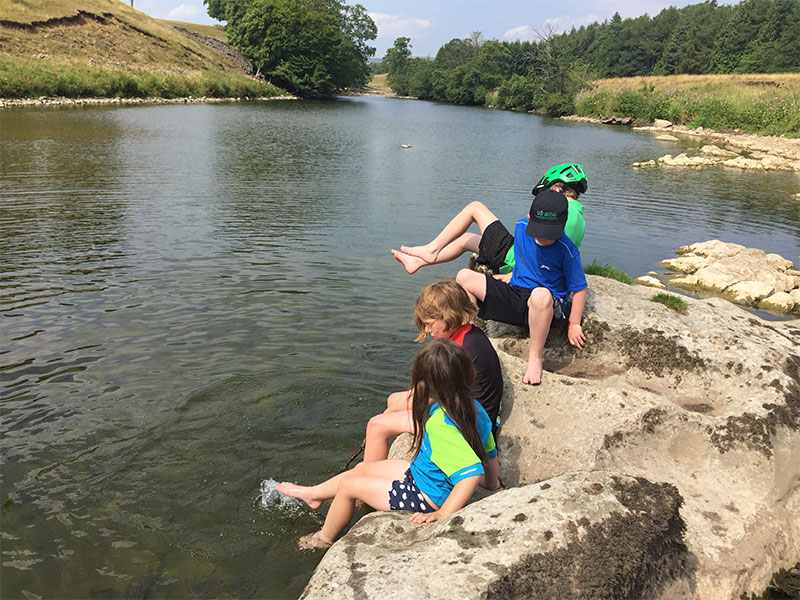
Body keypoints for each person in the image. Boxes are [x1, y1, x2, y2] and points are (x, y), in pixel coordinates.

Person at [276, 340, 500, 550]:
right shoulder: (475, 408)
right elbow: (489, 449)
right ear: (469, 374)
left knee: (349, 486)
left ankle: (323, 539)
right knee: (362, 469)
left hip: (425, 495)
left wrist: (443, 513)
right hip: (425, 475)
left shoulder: (440, 425)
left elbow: (470, 474)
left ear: (424, 384)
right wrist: (492, 483)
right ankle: (315, 494)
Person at [455, 189, 588, 386]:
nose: (543, 238)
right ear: (529, 219)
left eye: (550, 234)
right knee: (464, 276)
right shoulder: (520, 227)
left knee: (540, 294)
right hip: (515, 294)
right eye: (539, 232)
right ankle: (468, 338)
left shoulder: (566, 249)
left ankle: (535, 358)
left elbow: (579, 287)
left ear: (562, 226)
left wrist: (574, 323)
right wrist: (513, 275)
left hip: (543, 306)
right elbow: (524, 258)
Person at [363, 279, 502, 463]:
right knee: (392, 400)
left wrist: (391, 413)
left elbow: (428, 398)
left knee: (376, 425)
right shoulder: (470, 335)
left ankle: (369, 475)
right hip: (469, 412)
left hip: (467, 428)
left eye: (429, 323)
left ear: (448, 317)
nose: (427, 330)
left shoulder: (457, 352)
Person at [391, 163, 588, 275]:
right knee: (466, 239)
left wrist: (514, 274)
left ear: (556, 188)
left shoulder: (563, 212)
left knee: (475, 208)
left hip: (513, 257)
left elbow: (541, 251)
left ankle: (431, 250)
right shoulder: (577, 216)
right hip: (516, 251)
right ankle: (418, 263)